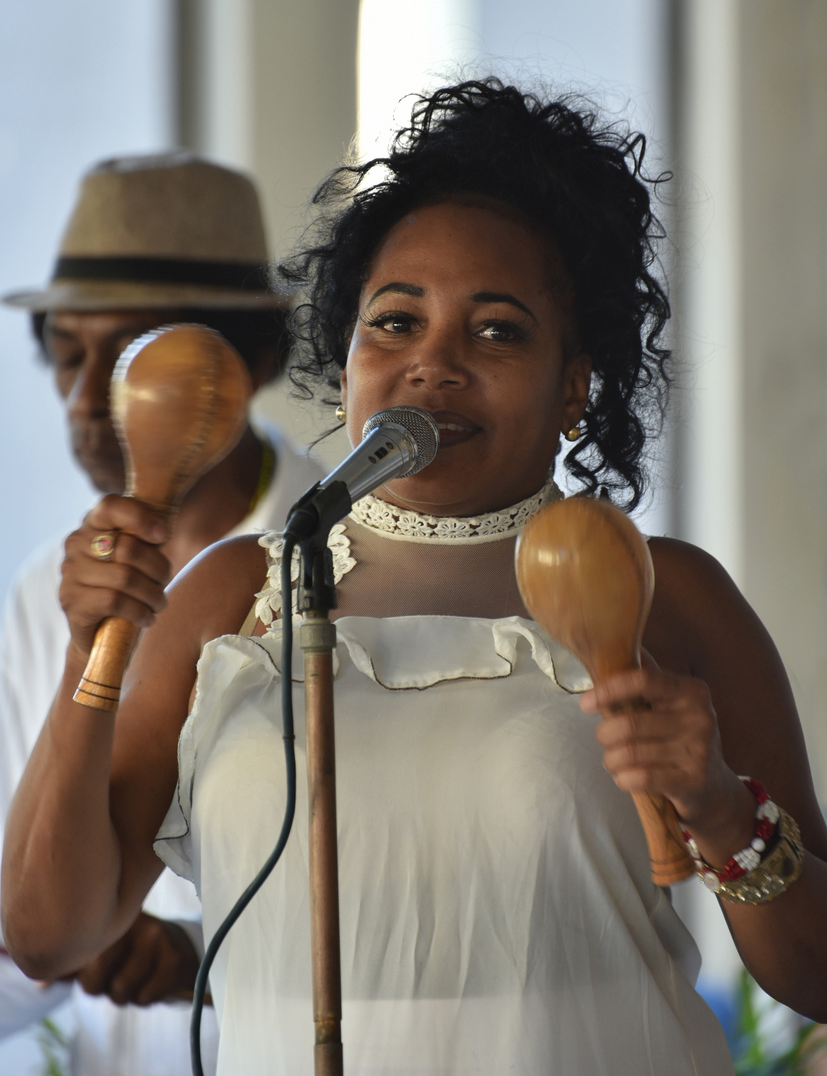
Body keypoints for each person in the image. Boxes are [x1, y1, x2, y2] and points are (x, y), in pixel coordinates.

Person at [4, 79, 827, 1075]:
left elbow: (813, 979)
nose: (431, 364)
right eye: (393, 322)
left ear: (573, 381)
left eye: (495, 330)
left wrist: (719, 808)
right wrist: (102, 640)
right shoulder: (230, 599)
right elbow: (47, 934)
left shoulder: (668, 595)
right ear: (344, 359)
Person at [0, 152, 326, 1074]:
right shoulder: (42, 594)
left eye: (135, 360)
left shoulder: (351, 566)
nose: (83, 402)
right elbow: (22, 929)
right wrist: (55, 934)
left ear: (253, 359)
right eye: (68, 355)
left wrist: (202, 957)